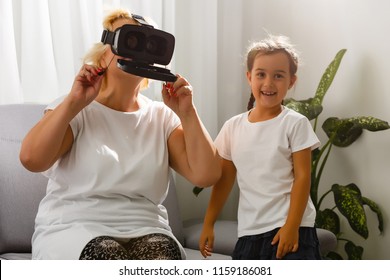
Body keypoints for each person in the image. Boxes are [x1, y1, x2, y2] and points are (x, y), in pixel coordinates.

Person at [19, 8, 221, 260]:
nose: (139, 50)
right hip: (75, 227)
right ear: (103, 55)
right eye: (131, 40)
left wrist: (187, 112)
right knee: (106, 253)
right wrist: (73, 102)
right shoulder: (76, 108)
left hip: (147, 228)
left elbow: (207, 175)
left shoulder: (161, 117)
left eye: (149, 44)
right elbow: (31, 159)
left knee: (162, 254)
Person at [199, 34, 321, 260]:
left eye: (278, 76)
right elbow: (224, 180)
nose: (268, 83)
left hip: (293, 228)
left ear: (291, 81)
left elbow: (303, 178)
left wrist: (292, 227)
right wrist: (209, 223)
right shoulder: (232, 127)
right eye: (261, 74)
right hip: (250, 233)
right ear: (249, 77)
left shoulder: (295, 123)